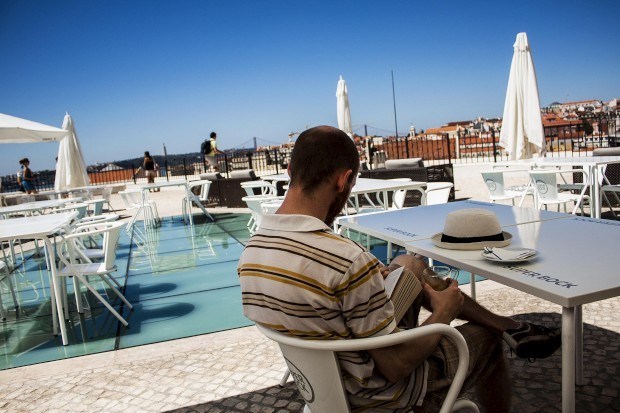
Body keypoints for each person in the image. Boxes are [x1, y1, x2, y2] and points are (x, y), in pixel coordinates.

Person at [238, 126, 560, 412]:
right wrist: (443, 313)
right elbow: (396, 366)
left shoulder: (251, 254)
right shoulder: (346, 260)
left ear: (291, 170)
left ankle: (506, 324)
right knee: (485, 340)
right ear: (344, 180)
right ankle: (497, 330)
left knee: (410, 264)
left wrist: (373, 282)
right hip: (383, 398)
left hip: (324, 391)